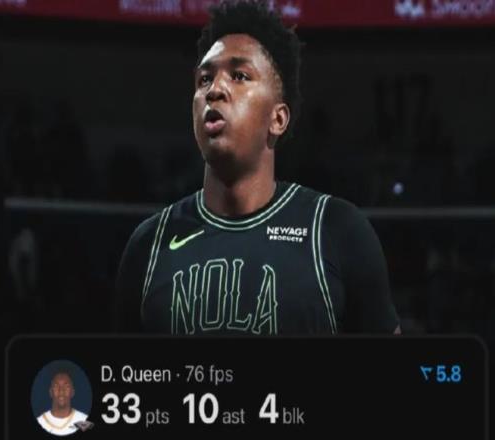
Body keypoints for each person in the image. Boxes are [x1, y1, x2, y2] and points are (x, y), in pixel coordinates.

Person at [115, 0, 400, 335]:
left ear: (278, 119)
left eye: (239, 76)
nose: (214, 90)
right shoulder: (148, 245)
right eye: (204, 79)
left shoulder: (336, 230)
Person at [37, 371, 88, 436]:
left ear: (72, 392)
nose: (61, 391)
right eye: (56, 386)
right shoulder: (40, 422)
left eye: (66, 386)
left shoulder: (84, 421)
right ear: (50, 392)